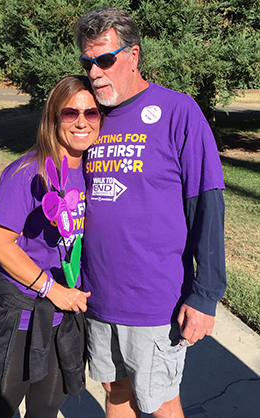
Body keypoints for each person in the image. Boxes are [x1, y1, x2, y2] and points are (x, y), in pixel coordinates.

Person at [74, 8, 227, 418]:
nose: (95, 72)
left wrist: (206, 295)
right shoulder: (92, 119)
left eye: (105, 59)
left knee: (160, 402)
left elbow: (207, 202)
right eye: (87, 62)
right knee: (115, 390)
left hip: (155, 302)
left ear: (134, 55)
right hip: (97, 296)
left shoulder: (178, 111)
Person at [0, 75, 102, 418]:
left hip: (63, 316)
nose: (82, 121)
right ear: (53, 118)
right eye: (70, 113)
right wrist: (52, 289)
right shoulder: (28, 172)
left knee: (47, 406)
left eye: (92, 113)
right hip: (17, 314)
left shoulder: (92, 169)